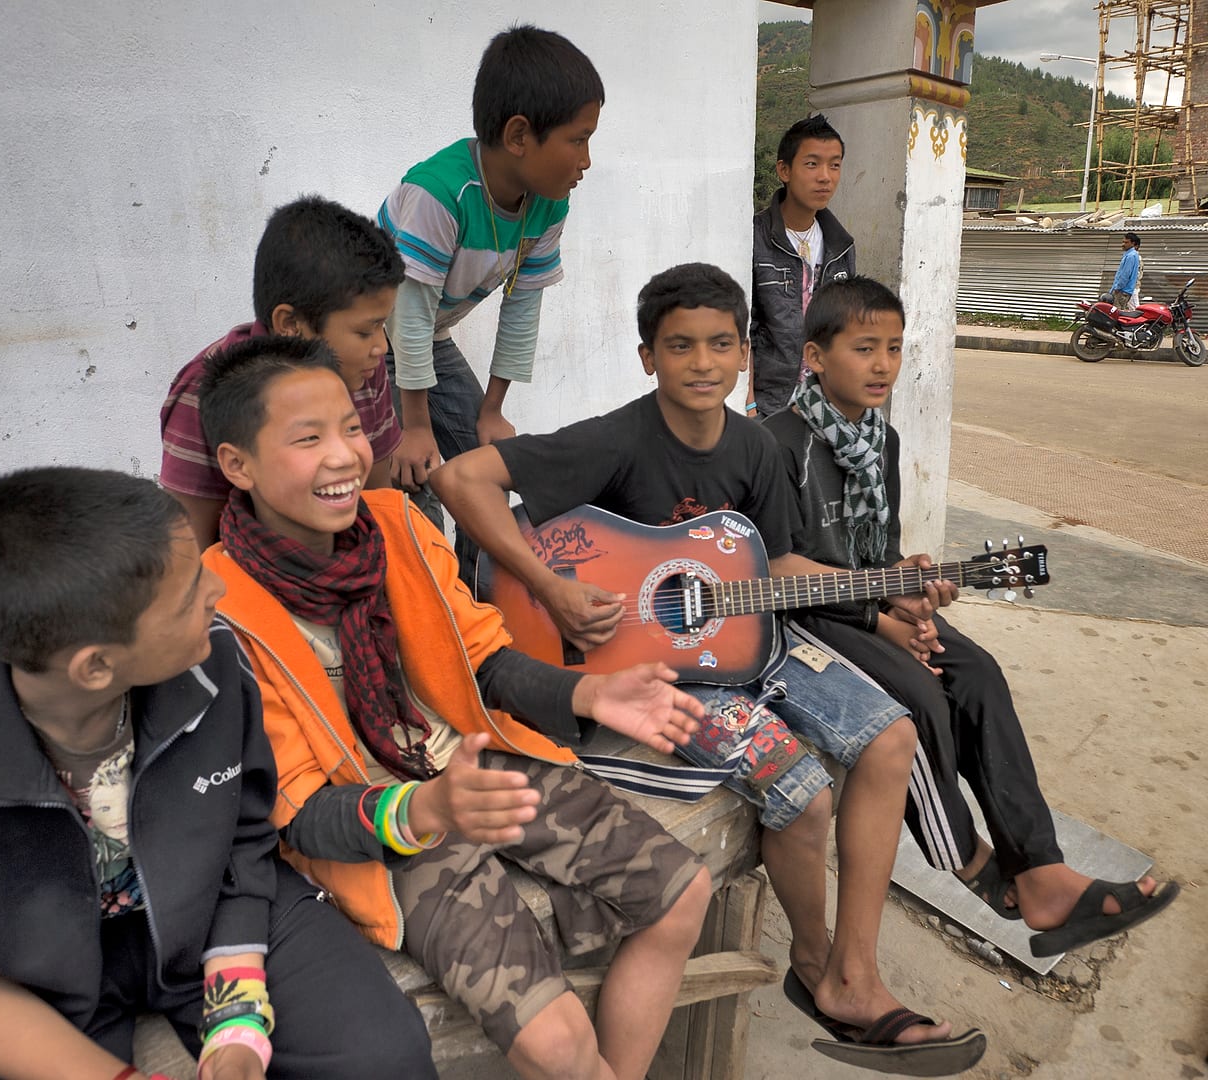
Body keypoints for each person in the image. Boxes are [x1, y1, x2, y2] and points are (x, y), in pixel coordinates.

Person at [434, 263, 985, 1075]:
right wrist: (550, 586)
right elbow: (459, 476)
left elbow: (779, 561)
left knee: (892, 733)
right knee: (803, 793)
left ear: (745, 356)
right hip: (653, 671)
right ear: (646, 356)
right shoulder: (619, 437)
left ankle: (855, 975)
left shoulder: (756, 446)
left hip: (742, 639)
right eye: (680, 345)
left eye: (720, 344)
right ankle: (815, 964)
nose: (701, 362)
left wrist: (886, 585)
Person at [0, 467, 435, 1080]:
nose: (216, 591)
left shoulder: (214, 666)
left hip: (205, 908)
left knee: (384, 1057)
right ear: (96, 667)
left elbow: (243, 839)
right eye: (190, 596)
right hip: (13, 971)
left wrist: (236, 1027)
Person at [196, 334, 713, 1080]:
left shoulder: (399, 526)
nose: (344, 456)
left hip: (474, 763)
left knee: (682, 893)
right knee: (559, 1046)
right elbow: (299, 812)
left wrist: (588, 691)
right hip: (389, 827)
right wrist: (426, 810)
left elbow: (484, 661)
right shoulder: (225, 610)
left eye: (349, 427)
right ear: (236, 465)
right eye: (308, 440)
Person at [763, 274, 1179, 959]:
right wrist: (884, 620)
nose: (883, 366)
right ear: (814, 356)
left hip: (872, 601)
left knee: (978, 672)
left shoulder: (882, 443)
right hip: (808, 618)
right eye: (865, 348)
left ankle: (1042, 869)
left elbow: (883, 550)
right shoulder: (777, 444)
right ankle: (972, 864)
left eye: (894, 349)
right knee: (920, 694)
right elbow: (779, 571)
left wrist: (918, 604)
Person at [377, 25, 602, 519]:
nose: (586, 161)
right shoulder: (438, 195)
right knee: (415, 487)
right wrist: (415, 427)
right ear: (519, 135)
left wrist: (493, 410)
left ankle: (476, 593)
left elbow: (521, 310)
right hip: (367, 345)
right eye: (578, 140)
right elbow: (407, 317)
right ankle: (428, 591)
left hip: (427, 339)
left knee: (487, 472)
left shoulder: (548, 205)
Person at [160, 195, 406, 549]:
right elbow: (192, 551)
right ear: (290, 324)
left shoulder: (361, 367)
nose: (381, 346)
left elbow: (379, 507)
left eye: (350, 428)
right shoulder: (205, 391)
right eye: (365, 331)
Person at [749, 114, 855, 419]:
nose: (825, 176)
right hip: (768, 406)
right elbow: (743, 327)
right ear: (784, 169)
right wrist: (748, 403)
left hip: (823, 406)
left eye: (834, 165)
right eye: (812, 164)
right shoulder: (755, 238)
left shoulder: (841, 246)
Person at [1111, 231, 1141, 310]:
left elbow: (1125, 274)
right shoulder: (1130, 255)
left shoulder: (1131, 256)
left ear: (1133, 243)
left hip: (1123, 290)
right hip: (1123, 289)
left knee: (1117, 312)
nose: (1123, 244)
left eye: (1126, 242)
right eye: (1123, 242)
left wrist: (1117, 287)